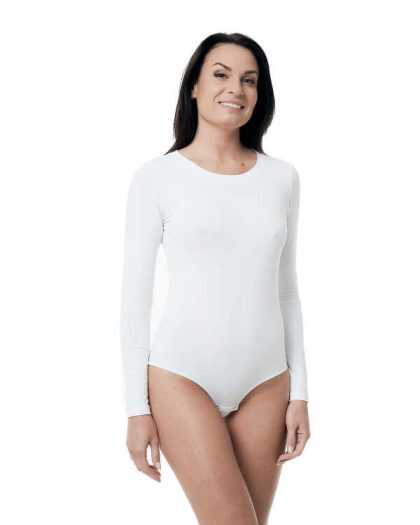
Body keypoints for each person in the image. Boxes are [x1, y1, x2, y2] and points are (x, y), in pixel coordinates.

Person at [120, 32, 311, 525]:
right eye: (221, 75)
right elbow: (135, 300)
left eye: (250, 80)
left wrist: (301, 394)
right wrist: (136, 408)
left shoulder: (282, 178)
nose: (236, 89)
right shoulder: (157, 178)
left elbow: (287, 291)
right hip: (182, 376)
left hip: (267, 382)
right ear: (195, 87)